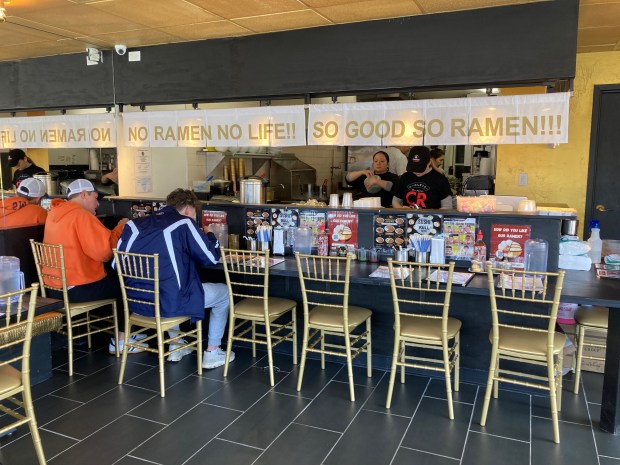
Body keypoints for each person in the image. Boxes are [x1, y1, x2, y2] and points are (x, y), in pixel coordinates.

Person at [116, 188, 235, 369]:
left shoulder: (133, 225)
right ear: (188, 209)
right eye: (195, 214)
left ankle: (176, 345)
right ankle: (212, 352)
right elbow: (210, 257)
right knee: (224, 293)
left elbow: (116, 265)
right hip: (169, 303)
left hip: (136, 303)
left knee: (170, 285)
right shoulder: (184, 223)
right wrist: (210, 234)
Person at [43, 179, 143, 354]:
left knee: (115, 281)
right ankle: (122, 340)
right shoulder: (81, 215)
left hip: (54, 288)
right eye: (95, 198)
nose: (97, 204)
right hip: (77, 289)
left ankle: (125, 334)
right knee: (127, 285)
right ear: (83, 194)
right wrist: (121, 227)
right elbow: (105, 253)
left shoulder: (54, 213)